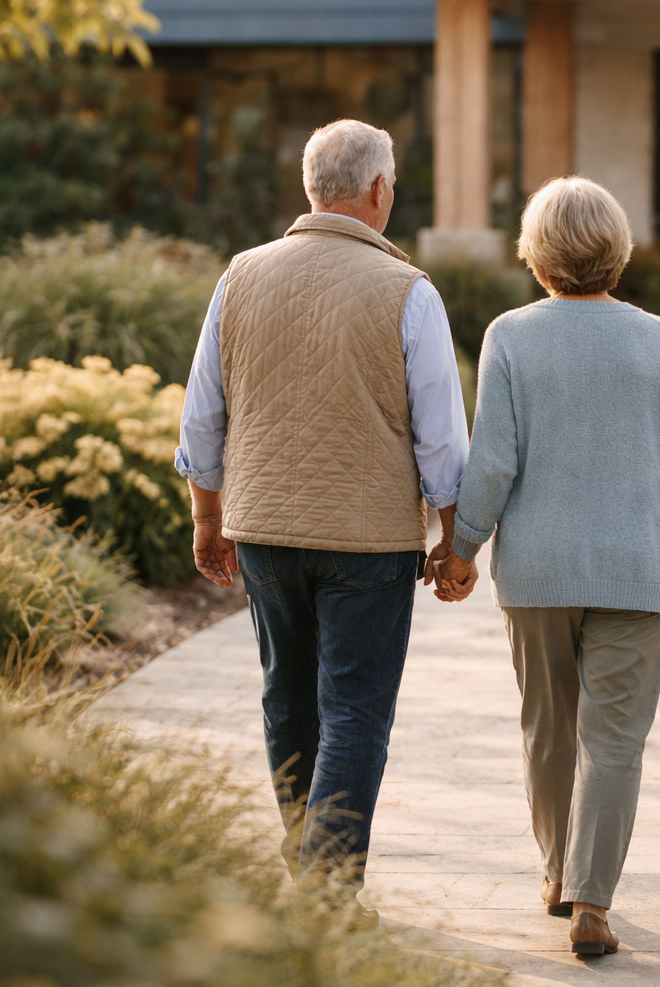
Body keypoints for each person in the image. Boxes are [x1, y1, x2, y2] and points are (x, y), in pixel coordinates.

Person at [175, 119, 478, 917]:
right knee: (354, 710)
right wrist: (455, 537)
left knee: (288, 696)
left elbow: (203, 413)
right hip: (369, 544)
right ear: (378, 192)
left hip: (264, 532)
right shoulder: (410, 292)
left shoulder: (240, 275)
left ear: (313, 189)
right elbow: (442, 434)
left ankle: (305, 864)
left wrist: (207, 517)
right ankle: (326, 889)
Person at [438, 176, 660, 957]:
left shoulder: (511, 335)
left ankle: (559, 874)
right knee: (616, 739)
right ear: (617, 251)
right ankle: (594, 900)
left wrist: (462, 546)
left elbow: (493, 460)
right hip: (641, 567)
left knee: (548, 728)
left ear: (536, 254)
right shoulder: (658, 337)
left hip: (538, 569)